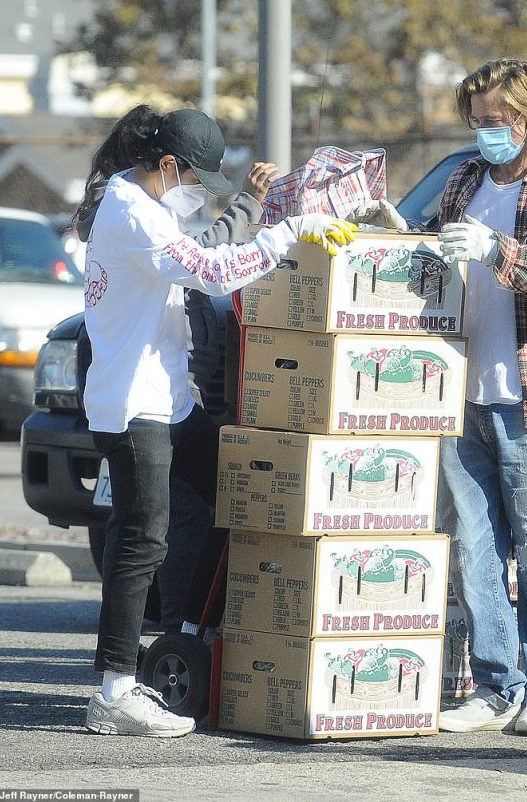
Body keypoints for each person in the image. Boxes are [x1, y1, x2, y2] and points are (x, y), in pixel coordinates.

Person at [79, 104, 356, 737]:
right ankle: (116, 688)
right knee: (141, 538)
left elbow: (205, 254)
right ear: (167, 166)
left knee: (234, 495)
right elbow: (210, 271)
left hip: (170, 399)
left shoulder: (143, 203)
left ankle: (193, 636)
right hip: (132, 405)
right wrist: (290, 234)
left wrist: (268, 221)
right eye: (197, 180)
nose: (200, 193)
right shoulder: (130, 212)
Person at [353, 57, 527, 737]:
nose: (486, 132)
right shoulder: (464, 177)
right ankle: (496, 684)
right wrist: (398, 235)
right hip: (457, 391)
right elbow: (433, 258)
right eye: (479, 121)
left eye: (497, 121)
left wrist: (500, 250)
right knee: (473, 549)